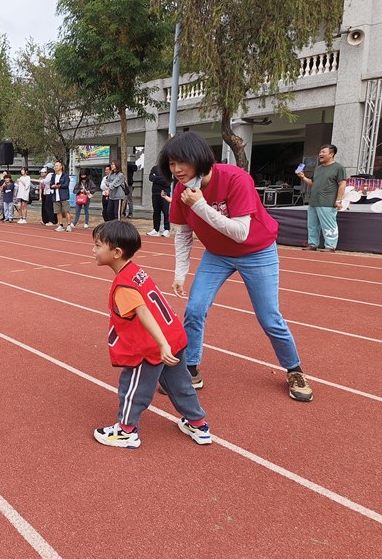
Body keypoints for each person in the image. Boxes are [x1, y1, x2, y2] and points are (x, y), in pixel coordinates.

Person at [160, 131, 313, 402]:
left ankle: (294, 370)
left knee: (269, 318)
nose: (177, 170)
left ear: (199, 159)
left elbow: (241, 233)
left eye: (181, 162)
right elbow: (183, 235)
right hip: (217, 254)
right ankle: (191, 368)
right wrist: (180, 274)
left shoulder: (235, 178)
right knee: (194, 310)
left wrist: (201, 206)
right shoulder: (181, 190)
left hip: (257, 250)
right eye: (171, 164)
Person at [92, 220, 211, 449]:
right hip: (173, 336)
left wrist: (161, 345)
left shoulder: (124, 285)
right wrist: (167, 343)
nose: (93, 250)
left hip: (152, 346)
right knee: (181, 385)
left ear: (116, 252)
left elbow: (144, 312)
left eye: (98, 245)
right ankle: (198, 424)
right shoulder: (136, 271)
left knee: (133, 389)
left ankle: (126, 430)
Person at [296, 145, 347, 252]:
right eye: (320, 152)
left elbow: (342, 184)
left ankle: (330, 246)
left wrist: (338, 200)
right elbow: (312, 183)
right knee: (312, 225)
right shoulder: (318, 168)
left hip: (327, 202)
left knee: (328, 225)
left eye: (323, 152)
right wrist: (303, 177)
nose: (320, 154)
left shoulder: (338, 168)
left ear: (332, 154)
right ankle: (313, 244)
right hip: (314, 201)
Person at [147, 165, 171, 237]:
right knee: (156, 212)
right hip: (155, 193)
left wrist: (156, 178)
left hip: (165, 193)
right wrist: (160, 178)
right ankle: (156, 229)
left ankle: (166, 229)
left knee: (165, 211)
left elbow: (167, 181)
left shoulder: (168, 168)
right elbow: (151, 178)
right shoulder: (154, 168)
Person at [49, 161, 73, 232]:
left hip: (64, 196)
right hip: (56, 196)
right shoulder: (53, 176)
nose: (55, 167)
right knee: (58, 211)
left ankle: (69, 225)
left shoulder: (65, 176)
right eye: (55, 166)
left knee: (66, 211)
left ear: (61, 167)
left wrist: (58, 186)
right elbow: (51, 185)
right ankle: (60, 225)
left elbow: (66, 185)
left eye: (57, 166)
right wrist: (53, 186)